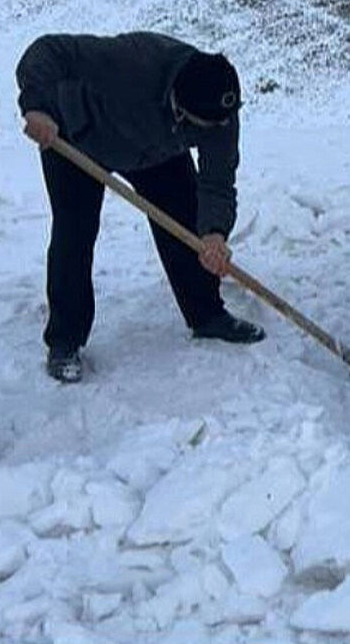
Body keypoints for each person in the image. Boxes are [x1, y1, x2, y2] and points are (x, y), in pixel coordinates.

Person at [16, 32, 264, 383]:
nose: (217, 132)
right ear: (181, 107)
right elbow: (47, 51)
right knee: (75, 231)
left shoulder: (219, 112)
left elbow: (218, 183)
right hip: (76, 135)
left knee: (186, 217)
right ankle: (64, 341)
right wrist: (37, 106)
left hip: (155, 149)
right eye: (205, 127)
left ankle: (207, 315)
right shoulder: (132, 62)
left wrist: (214, 233)